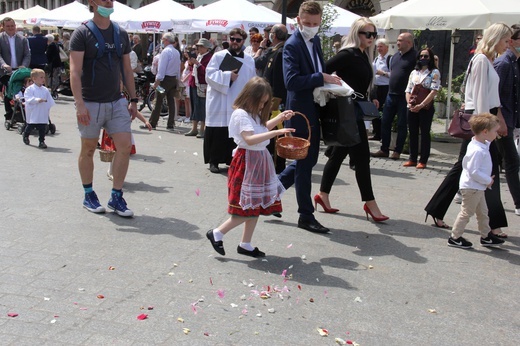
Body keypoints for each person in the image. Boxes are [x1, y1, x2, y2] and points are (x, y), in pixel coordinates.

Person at [424, 23, 511, 235]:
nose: (508, 45)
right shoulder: (481, 60)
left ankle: (437, 208)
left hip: (485, 118)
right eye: (506, 40)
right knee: (486, 169)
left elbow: (488, 96)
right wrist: (486, 128)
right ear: (496, 38)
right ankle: (493, 226)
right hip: (481, 119)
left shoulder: (487, 60)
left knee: (464, 166)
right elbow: (480, 96)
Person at [206, 77, 295, 257]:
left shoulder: (253, 113)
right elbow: (249, 139)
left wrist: (279, 118)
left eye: (265, 102)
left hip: (258, 161)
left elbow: (260, 130)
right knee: (245, 207)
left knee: (256, 204)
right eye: (261, 102)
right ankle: (217, 233)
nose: (263, 106)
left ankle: (245, 243)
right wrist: (277, 132)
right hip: (246, 162)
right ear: (250, 97)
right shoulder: (241, 114)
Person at [314, 17, 388, 222]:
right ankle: (370, 203)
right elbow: (323, 71)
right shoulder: (348, 54)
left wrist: (370, 96)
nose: (371, 38)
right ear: (357, 33)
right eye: (367, 33)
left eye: (374, 34)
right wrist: (336, 89)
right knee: (362, 157)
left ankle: (323, 195)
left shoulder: (364, 55)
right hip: (348, 112)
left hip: (355, 112)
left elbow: (361, 82)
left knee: (338, 155)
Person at [70, 0, 138, 217]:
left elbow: (127, 70)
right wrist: (79, 104)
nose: (108, 1)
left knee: (125, 146)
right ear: (92, 2)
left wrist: (134, 99)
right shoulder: (82, 33)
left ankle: (116, 196)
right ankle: (88, 194)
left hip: (116, 101)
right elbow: (74, 71)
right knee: (88, 148)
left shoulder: (120, 33)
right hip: (90, 102)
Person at [278, 1, 342, 234]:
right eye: (307, 23)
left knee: (309, 159)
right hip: (299, 112)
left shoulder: (314, 41)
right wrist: (319, 77)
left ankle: (272, 191)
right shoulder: (292, 45)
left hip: (313, 108)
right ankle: (305, 214)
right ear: (298, 20)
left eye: (315, 24)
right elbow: (291, 81)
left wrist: (327, 79)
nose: (312, 27)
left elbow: (317, 71)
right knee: (305, 163)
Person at [448, 113, 505, 249]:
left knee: (483, 213)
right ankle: (455, 237)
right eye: (495, 131)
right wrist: (487, 180)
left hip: (477, 187)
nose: (497, 134)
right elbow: (473, 171)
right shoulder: (478, 150)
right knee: (466, 213)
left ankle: (486, 236)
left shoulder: (479, 144)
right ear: (485, 132)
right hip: (472, 187)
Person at [204, 28, 256, 173]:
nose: (234, 42)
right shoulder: (219, 56)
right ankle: (213, 161)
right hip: (220, 100)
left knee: (235, 132)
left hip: (239, 102)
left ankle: (231, 160)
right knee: (218, 131)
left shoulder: (249, 60)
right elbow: (209, 75)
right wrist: (227, 76)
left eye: (238, 40)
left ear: (243, 41)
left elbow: (252, 81)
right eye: (232, 39)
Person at [371, 32, 417, 160]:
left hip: (404, 95)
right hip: (391, 94)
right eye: (397, 40)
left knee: (402, 124)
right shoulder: (395, 56)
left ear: (409, 42)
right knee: (385, 122)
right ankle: (384, 149)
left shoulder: (415, 56)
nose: (397, 42)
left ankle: (397, 151)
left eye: (400, 40)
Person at [493, 24, 520, 217]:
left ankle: (461, 188)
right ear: (512, 41)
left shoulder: (515, 63)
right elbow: (497, 97)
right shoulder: (503, 63)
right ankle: (519, 203)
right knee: (511, 160)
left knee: (494, 159)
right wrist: (500, 119)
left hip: (510, 119)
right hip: (502, 121)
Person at [255, 23, 288, 174]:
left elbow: (280, 81)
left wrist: (276, 101)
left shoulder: (280, 52)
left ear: (273, 36)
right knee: (270, 131)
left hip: (275, 100)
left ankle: (276, 165)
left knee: (275, 133)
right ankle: (270, 163)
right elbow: (259, 63)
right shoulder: (274, 51)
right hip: (270, 97)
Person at [403, 47, 441, 169]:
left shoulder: (434, 72)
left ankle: (423, 159)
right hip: (412, 106)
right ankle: (412, 158)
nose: (423, 58)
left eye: (426, 56)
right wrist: (410, 104)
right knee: (412, 132)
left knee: (424, 133)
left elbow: (434, 91)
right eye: (421, 56)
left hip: (426, 107)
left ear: (430, 58)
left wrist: (422, 105)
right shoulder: (414, 73)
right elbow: (408, 89)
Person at [0, 17, 31, 121]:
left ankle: (21, 113)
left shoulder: (22, 39)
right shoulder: (0, 38)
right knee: (8, 92)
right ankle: (9, 114)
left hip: (20, 71)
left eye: (12, 26)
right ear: (3, 27)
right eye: (8, 26)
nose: (10, 28)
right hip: (6, 71)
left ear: (15, 26)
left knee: (21, 91)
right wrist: (3, 64)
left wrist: (24, 65)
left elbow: (27, 54)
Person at [149, 32, 181, 130]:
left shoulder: (165, 52)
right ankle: (170, 124)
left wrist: (157, 81)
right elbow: (178, 67)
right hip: (173, 80)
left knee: (158, 100)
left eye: (163, 40)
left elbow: (162, 68)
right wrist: (178, 80)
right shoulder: (176, 52)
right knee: (171, 101)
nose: (162, 41)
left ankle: (153, 123)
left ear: (166, 40)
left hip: (164, 80)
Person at [185, 38, 213, 138]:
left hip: (202, 84)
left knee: (202, 107)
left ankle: (202, 129)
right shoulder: (199, 56)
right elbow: (193, 70)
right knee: (194, 105)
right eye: (198, 46)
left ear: (207, 48)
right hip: (194, 83)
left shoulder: (209, 58)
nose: (199, 48)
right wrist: (191, 63)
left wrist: (197, 64)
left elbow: (206, 71)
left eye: (201, 46)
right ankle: (194, 128)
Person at [22, 68, 55, 149]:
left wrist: (48, 105)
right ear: (34, 78)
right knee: (31, 125)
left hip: (42, 111)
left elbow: (49, 100)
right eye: (41, 77)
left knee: (42, 127)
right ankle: (26, 135)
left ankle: (41, 141)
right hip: (34, 111)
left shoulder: (45, 90)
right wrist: (37, 100)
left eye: (44, 77)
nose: (43, 79)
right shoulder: (30, 89)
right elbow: (28, 99)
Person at [370, 38, 391, 141]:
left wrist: (383, 73)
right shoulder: (376, 59)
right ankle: (376, 133)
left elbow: (394, 75)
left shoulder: (390, 59)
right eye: (378, 46)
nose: (379, 49)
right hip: (376, 86)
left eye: (381, 46)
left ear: (387, 47)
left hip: (385, 87)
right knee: (375, 109)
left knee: (383, 110)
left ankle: (383, 134)